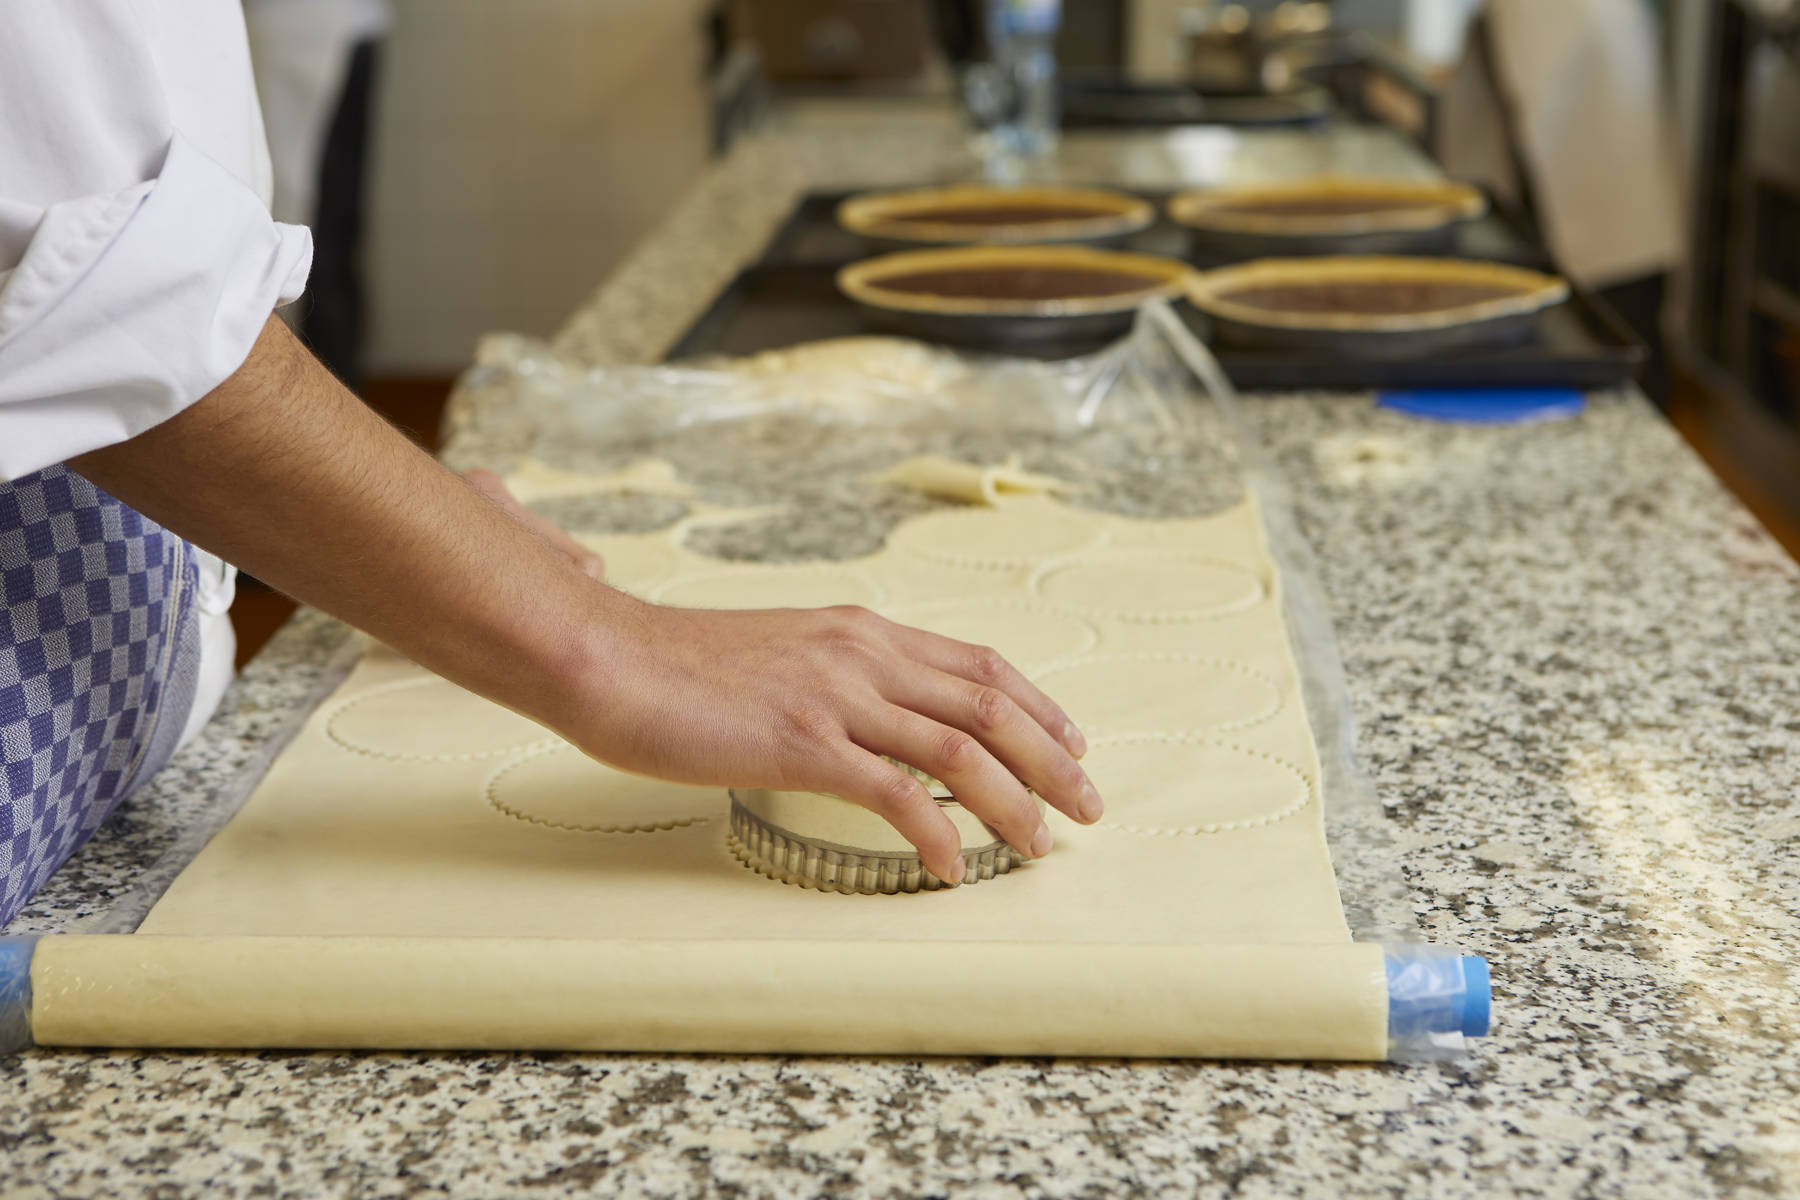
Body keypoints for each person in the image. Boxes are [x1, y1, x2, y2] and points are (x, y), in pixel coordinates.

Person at [0, 4, 1100, 928]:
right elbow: (93, 299)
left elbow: (149, 300)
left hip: (111, 795)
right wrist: (614, 645)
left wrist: (401, 541)